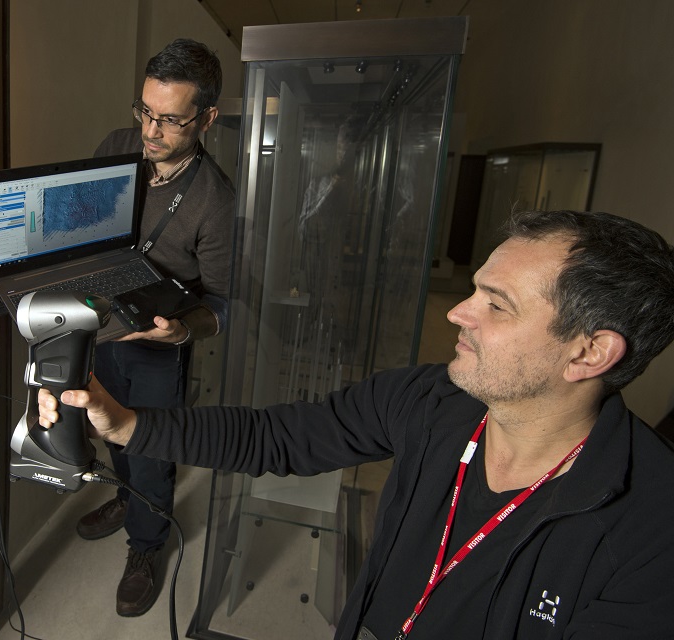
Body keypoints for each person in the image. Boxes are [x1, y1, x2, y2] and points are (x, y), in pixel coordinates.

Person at [42, 210, 674, 639]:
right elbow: (276, 437)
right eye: (474, 290)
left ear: (589, 352)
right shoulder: (429, 401)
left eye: (495, 305)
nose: (457, 312)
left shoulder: (652, 537)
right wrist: (125, 425)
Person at [77, 38, 235, 618]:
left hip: (157, 343)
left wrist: (181, 334)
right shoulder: (118, 145)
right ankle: (126, 499)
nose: (150, 131)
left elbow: (222, 303)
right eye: (145, 111)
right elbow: (86, 218)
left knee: (148, 449)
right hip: (102, 323)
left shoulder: (215, 201)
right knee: (103, 422)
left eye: (170, 120)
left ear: (208, 118)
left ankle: (146, 546)